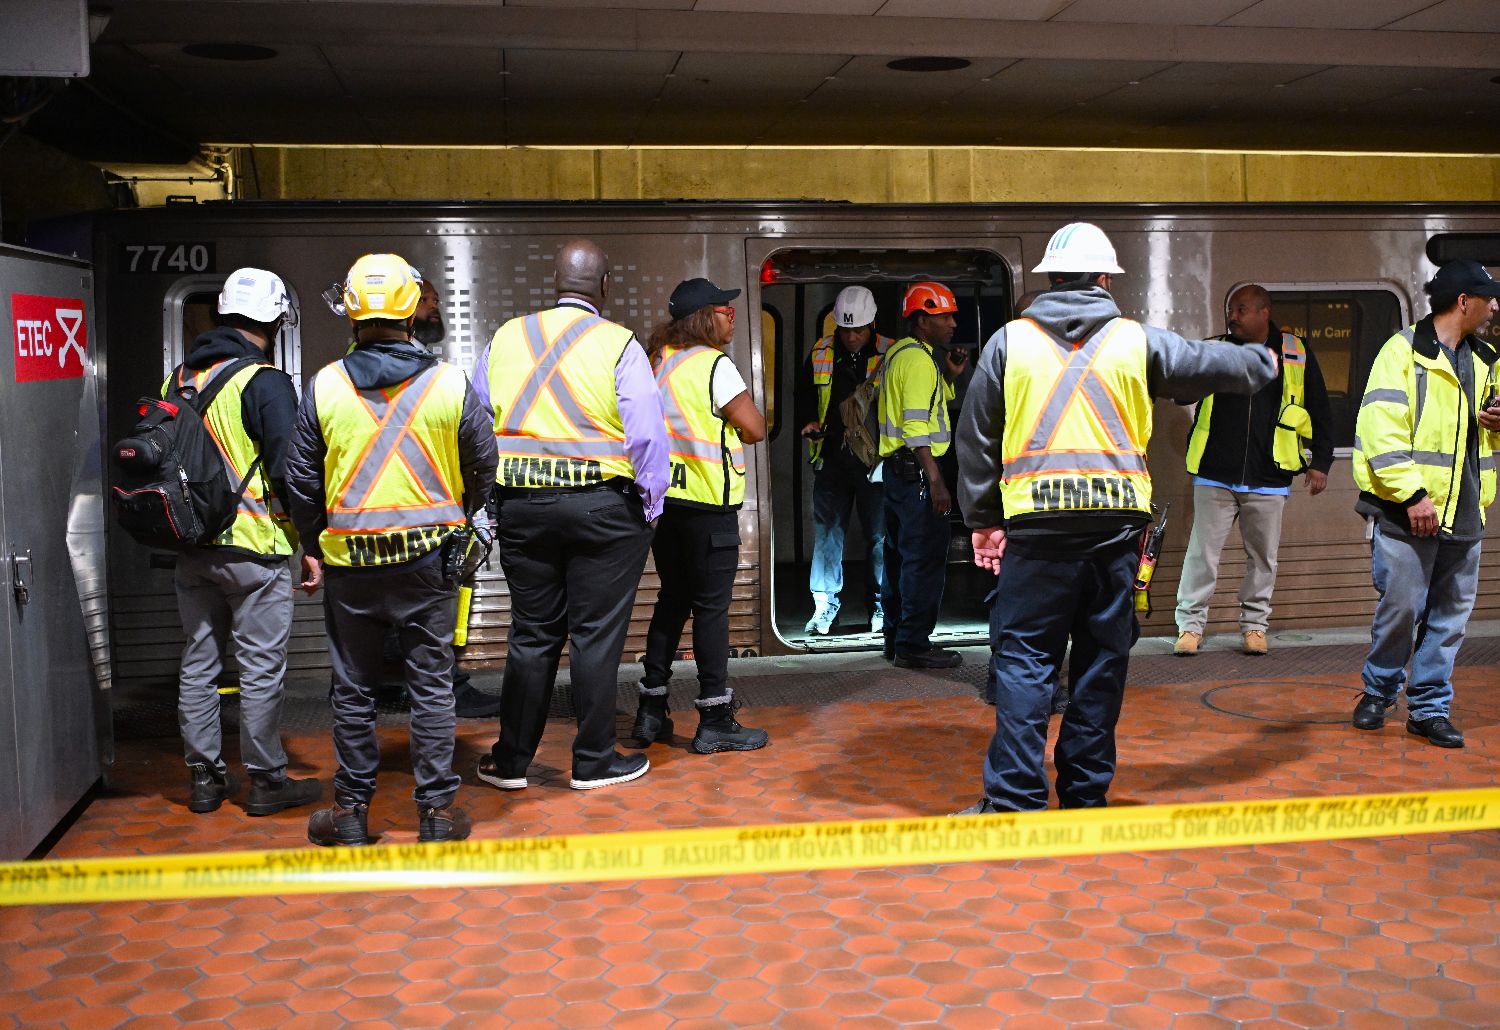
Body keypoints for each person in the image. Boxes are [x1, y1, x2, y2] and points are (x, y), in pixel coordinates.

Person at [955, 223, 1278, 814]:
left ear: (1052, 278)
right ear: (1105, 279)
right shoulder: (1136, 341)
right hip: (1115, 537)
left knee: (1025, 666)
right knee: (1100, 667)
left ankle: (1013, 802)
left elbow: (974, 439)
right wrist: (1261, 359)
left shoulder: (1008, 343)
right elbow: (1208, 362)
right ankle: (1084, 797)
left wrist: (983, 520)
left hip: (1037, 535)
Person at [287, 254, 497, 845]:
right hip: (430, 562)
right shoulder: (449, 383)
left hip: (350, 566)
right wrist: (457, 511)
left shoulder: (324, 385)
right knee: (431, 685)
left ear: (352, 312)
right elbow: (484, 464)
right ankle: (436, 814)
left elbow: (301, 481)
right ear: (410, 311)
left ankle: (351, 813)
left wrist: (313, 542)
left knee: (352, 689)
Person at [475, 240, 668, 792]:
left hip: (522, 509)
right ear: (605, 285)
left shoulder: (506, 338)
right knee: (594, 636)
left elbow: (476, 423)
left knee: (532, 635)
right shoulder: (618, 343)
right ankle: (593, 761)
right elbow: (647, 436)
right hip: (604, 512)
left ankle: (511, 761)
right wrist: (650, 506)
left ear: (555, 281)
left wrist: (487, 503)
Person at [171, 267, 323, 817]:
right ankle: (266, 780)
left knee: (199, 662)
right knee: (259, 668)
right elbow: (289, 471)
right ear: (277, 321)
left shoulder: (179, 380)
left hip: (191, 546)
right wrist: (311, 542)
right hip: (254, 547)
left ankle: (204, 778)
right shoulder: (265, 382)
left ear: (222, 314)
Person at [1351, 260, 1500, 749]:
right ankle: (1378, 692)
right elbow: (1380, 431)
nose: (1495, 306)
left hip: (1466, 511)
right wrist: (1413, 494)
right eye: (1488, 297)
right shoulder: (1401, 352)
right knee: (1401, 609)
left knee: (1449, 620)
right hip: (1408, 512)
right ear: (1464, 301)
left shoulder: (1487, 360)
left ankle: (1429, 709)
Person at [633, 278, 770, 754]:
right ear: (704, 317)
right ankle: (714, 718)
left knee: (671, 602)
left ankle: (650, 710)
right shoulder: (714, 365)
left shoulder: (658, 363)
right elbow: (755, 427)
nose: (731, 319)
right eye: (725, 311)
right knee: (711, 610)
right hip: (710, 508)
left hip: (666, 508)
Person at [1173, 284, 1334, 657]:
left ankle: (1255, 627)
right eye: (1230, 309)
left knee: (1263, 559)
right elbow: (1182, 394)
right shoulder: (1216, 349)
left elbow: (1320, 408)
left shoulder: (1295, 352)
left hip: (1268, 475)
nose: (1232, 316)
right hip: (1215, 472)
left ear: (1264, 312)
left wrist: (1321, 462)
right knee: (1201, 555)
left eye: (1241, 309)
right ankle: (1190, 627)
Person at [795, 286, 892, 635]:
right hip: (833, 458)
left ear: (872, 325)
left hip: (876, 462)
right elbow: (805, 396)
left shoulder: (891, 353)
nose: (851, 337)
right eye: (846, 329)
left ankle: (881, 606)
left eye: (859, 330)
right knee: (827, 534)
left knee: (880, 537)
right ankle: (825, 607)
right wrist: (809, 422)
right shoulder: (821, 352)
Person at [878, 281, 964, 669]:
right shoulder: (917, 362)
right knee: (924, 560)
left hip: (899, 474)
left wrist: (950, 376)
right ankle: (914, 644)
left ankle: (896, 638)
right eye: (944, 316)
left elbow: (925, 407)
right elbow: (915, 426)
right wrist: (936, 479)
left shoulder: (901, 354)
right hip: (917, 474)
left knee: (899, 559)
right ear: (921, 321)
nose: (952, 324)